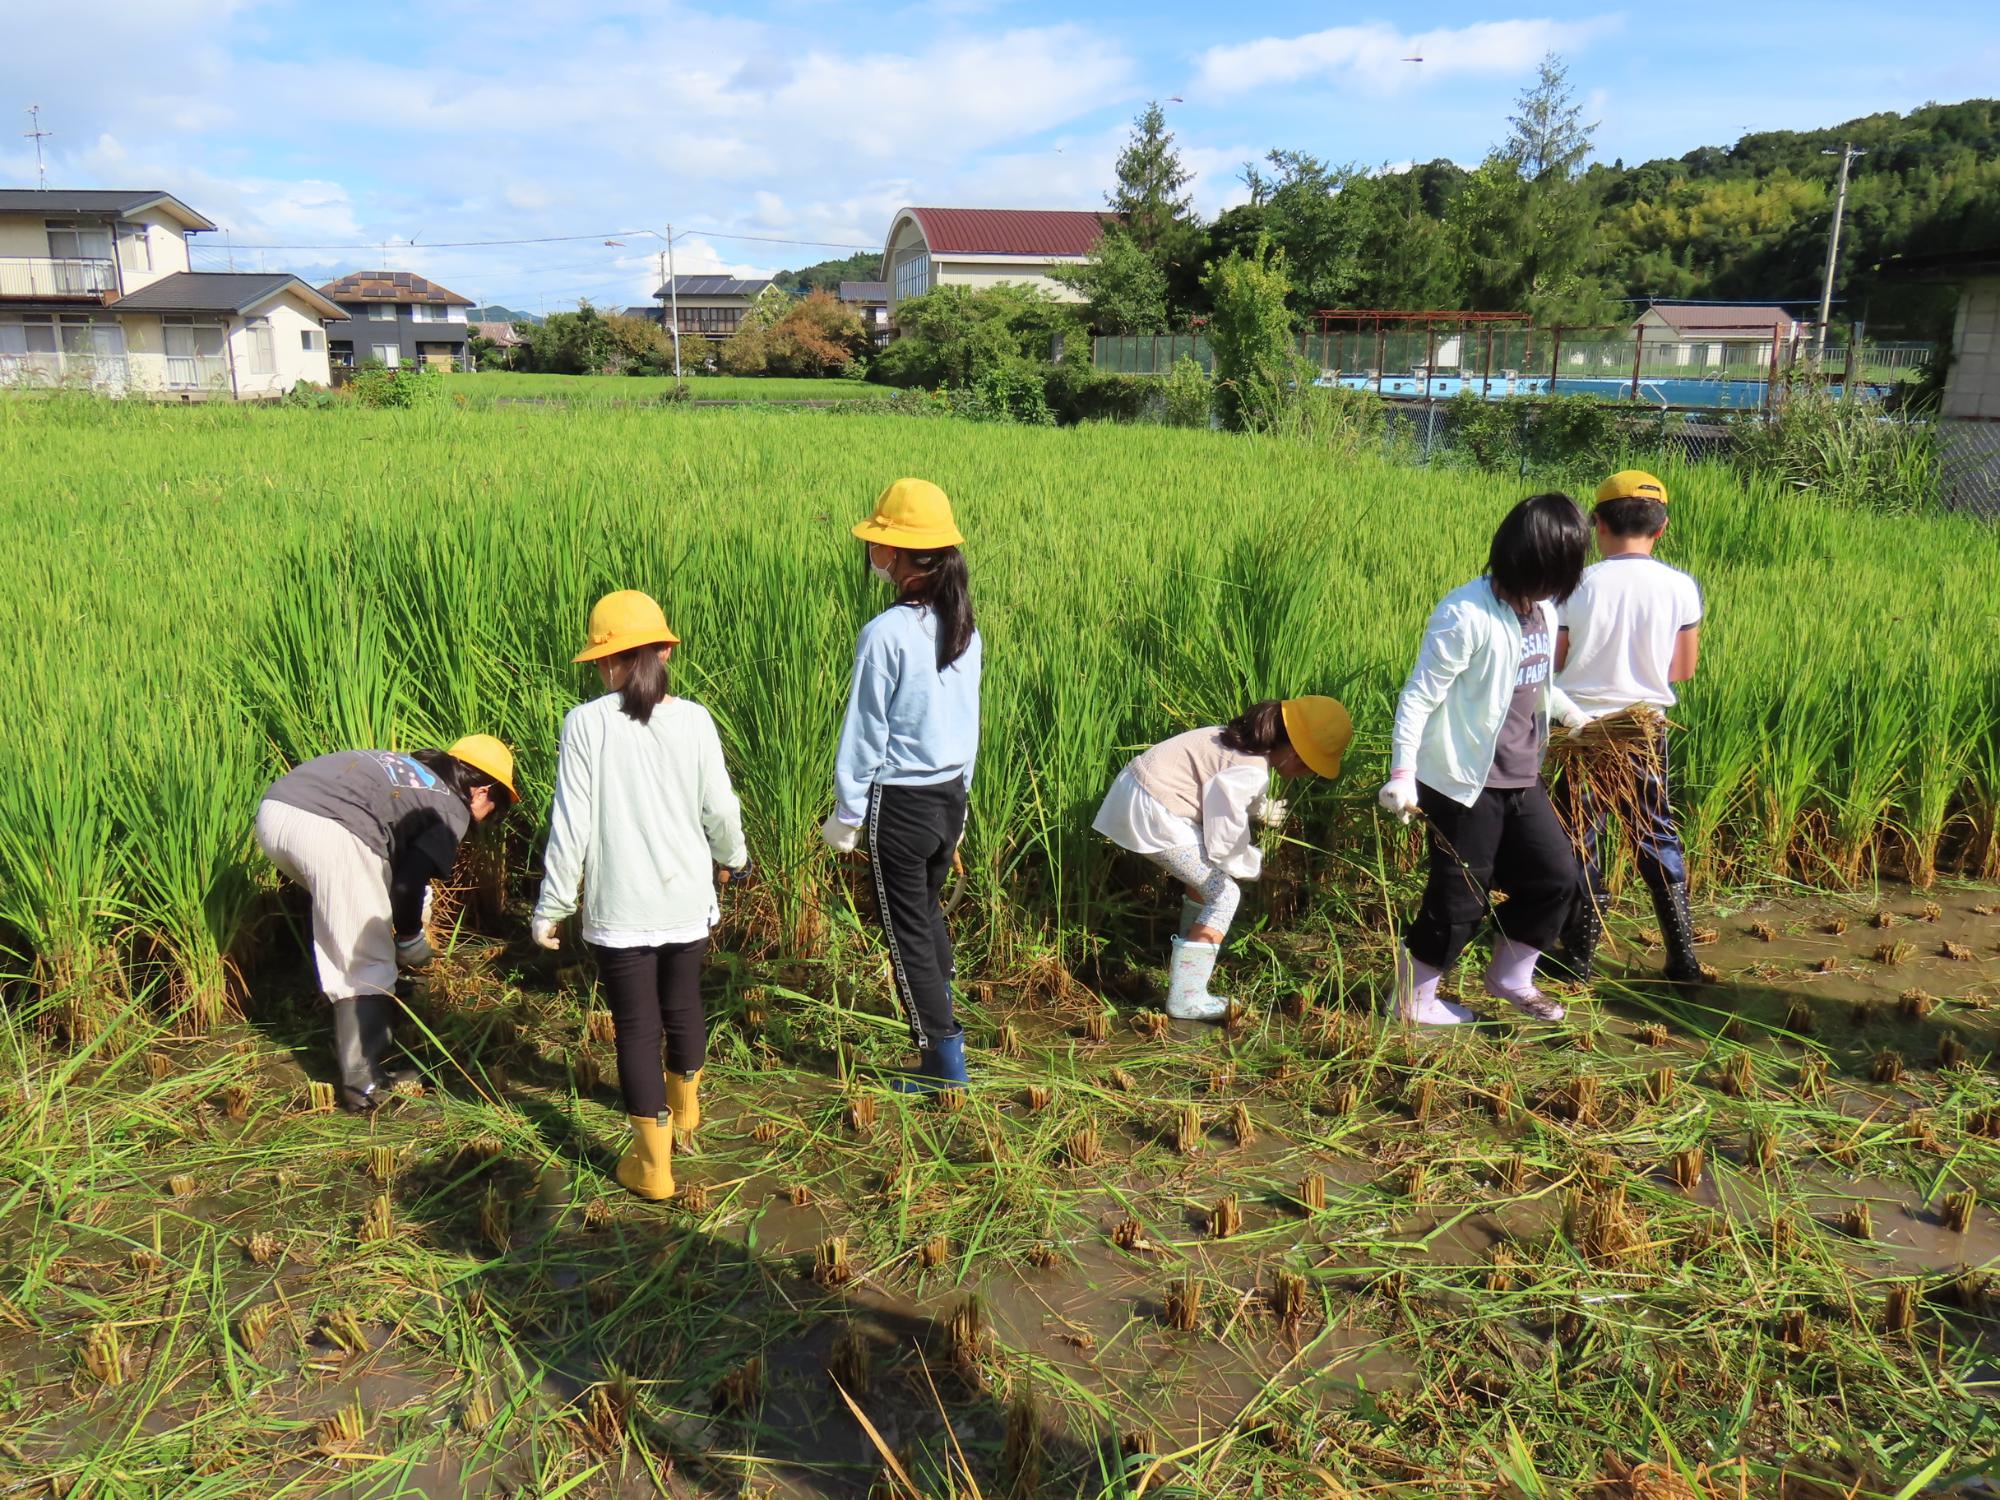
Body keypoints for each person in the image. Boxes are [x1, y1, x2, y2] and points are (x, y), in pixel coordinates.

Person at [529, 590, 750, 1203]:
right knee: (682, 1004)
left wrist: (552, 906)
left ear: (607, 662)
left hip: (621, 909)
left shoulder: (586, 725)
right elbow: (721, 809)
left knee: (635, 1028)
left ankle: (653, 1169)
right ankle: (687, 1115)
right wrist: (735, 858)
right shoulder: (696, 719)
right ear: (661, 651)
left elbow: (570, 825)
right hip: (686, 900)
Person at [1379, 493, 1590, 1026]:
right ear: (1525, 559)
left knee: (1556, 877)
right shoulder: (1464, 612)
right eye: (1550, 572)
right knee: (1460, 898)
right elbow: (1418, 697)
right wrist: (1403, 773)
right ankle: (1411, 1001)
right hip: (1462, 780)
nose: (1553, 586)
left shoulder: (1542, 610)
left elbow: (1537, 684)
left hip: (1521, 775)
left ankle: (1511, 977)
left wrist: (1579, 719)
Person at [254, 736, 517, 1111]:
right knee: (367, 951)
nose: (491, 816)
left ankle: (367, 1042)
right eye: (497, 808)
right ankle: (364, 1085)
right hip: (333, 828)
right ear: (481, 791)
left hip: (276, 813)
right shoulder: (450, 807)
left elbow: (402, 880)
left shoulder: (409, 772)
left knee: (353, 916)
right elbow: (409, 882)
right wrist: (409, 939)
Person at [821, 478, 981, 1092]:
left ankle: (942, 1062)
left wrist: (848, 813)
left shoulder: (884, 635)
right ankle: (946, 1031)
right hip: (947, 799)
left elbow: (864, 733)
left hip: (900, 806)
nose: (871, 552)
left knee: (906, 930)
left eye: (877, 543)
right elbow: (968, 728)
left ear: (892, 556)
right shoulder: (963, 628)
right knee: (926, 918)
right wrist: (961, 805)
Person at [1093, 698, 1352, 1022]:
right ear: (1295, 754)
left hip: (1143, 796)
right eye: (1306, 767)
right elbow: (1224, 840)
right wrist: (1251, 865)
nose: (1302, 775)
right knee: (1225, 894)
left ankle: (1189, 963)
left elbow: (1226, 786)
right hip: (1156, 813)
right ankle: (1187, 998)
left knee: (1205, 884)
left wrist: (1261, 810)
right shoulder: (1252, 770)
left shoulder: (1235, 741)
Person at [1542, 470, 1705, 985]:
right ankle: (1683, 959)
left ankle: (1579, 960)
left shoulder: (1577, 585)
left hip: (1581, 732)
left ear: (1597, 524)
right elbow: (1683, 669)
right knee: (1654, 832)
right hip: (1646, 730)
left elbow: (1554, 662)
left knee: (1578, 835)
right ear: (1662, 528)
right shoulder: (1680, 586)